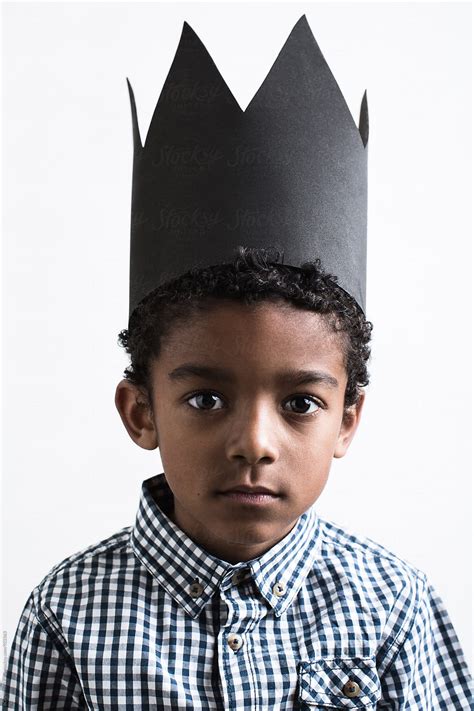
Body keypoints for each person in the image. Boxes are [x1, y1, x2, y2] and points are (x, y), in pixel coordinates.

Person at [1, 15, 472, 710]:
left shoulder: (393, 607)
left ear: (347, 419)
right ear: (140, 410)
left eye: (300, 403)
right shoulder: (67, 616)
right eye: (205, 399)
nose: (254, 442)